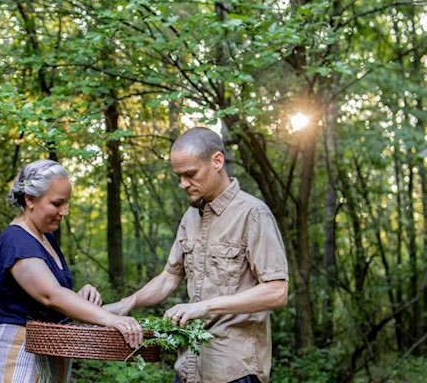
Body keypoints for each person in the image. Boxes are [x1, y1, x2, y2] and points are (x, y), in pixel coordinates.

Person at [105, 127, 289, 383]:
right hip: (189, 368)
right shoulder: (190, 217)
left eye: (190, 174)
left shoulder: (253, 214)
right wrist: (129, 302)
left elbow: (277, 291)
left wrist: (204, 306)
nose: (183, 184)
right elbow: (170, 276)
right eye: (178, 176)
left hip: (235, 371)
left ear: (217, 161)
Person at [0, 159, 143, 383]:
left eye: (66, 203)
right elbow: (50, 295)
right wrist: (111, 319)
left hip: (52, 350)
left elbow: (49, 298)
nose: (64, 211)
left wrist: (80, 296)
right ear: (30, 199)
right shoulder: (16, 241)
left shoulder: (46, 238)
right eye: (57, 203)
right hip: (19, 353)